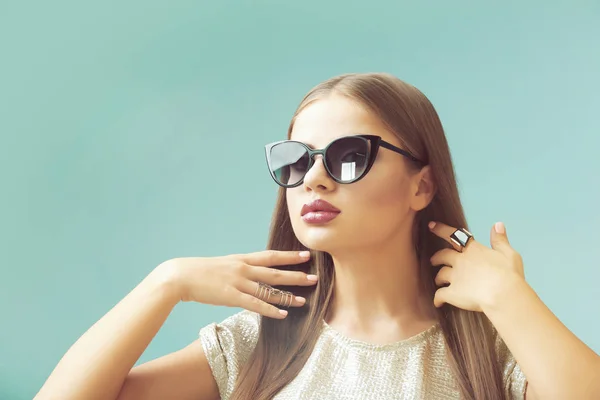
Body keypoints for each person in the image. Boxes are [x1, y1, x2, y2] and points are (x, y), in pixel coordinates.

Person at [35, 73, 599, 400]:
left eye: (351, 156)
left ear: (422, 185)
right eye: (295, 160)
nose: (316, 178)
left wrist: (509, 298)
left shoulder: (490, 348)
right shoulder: (260, 344)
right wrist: (166, 282)